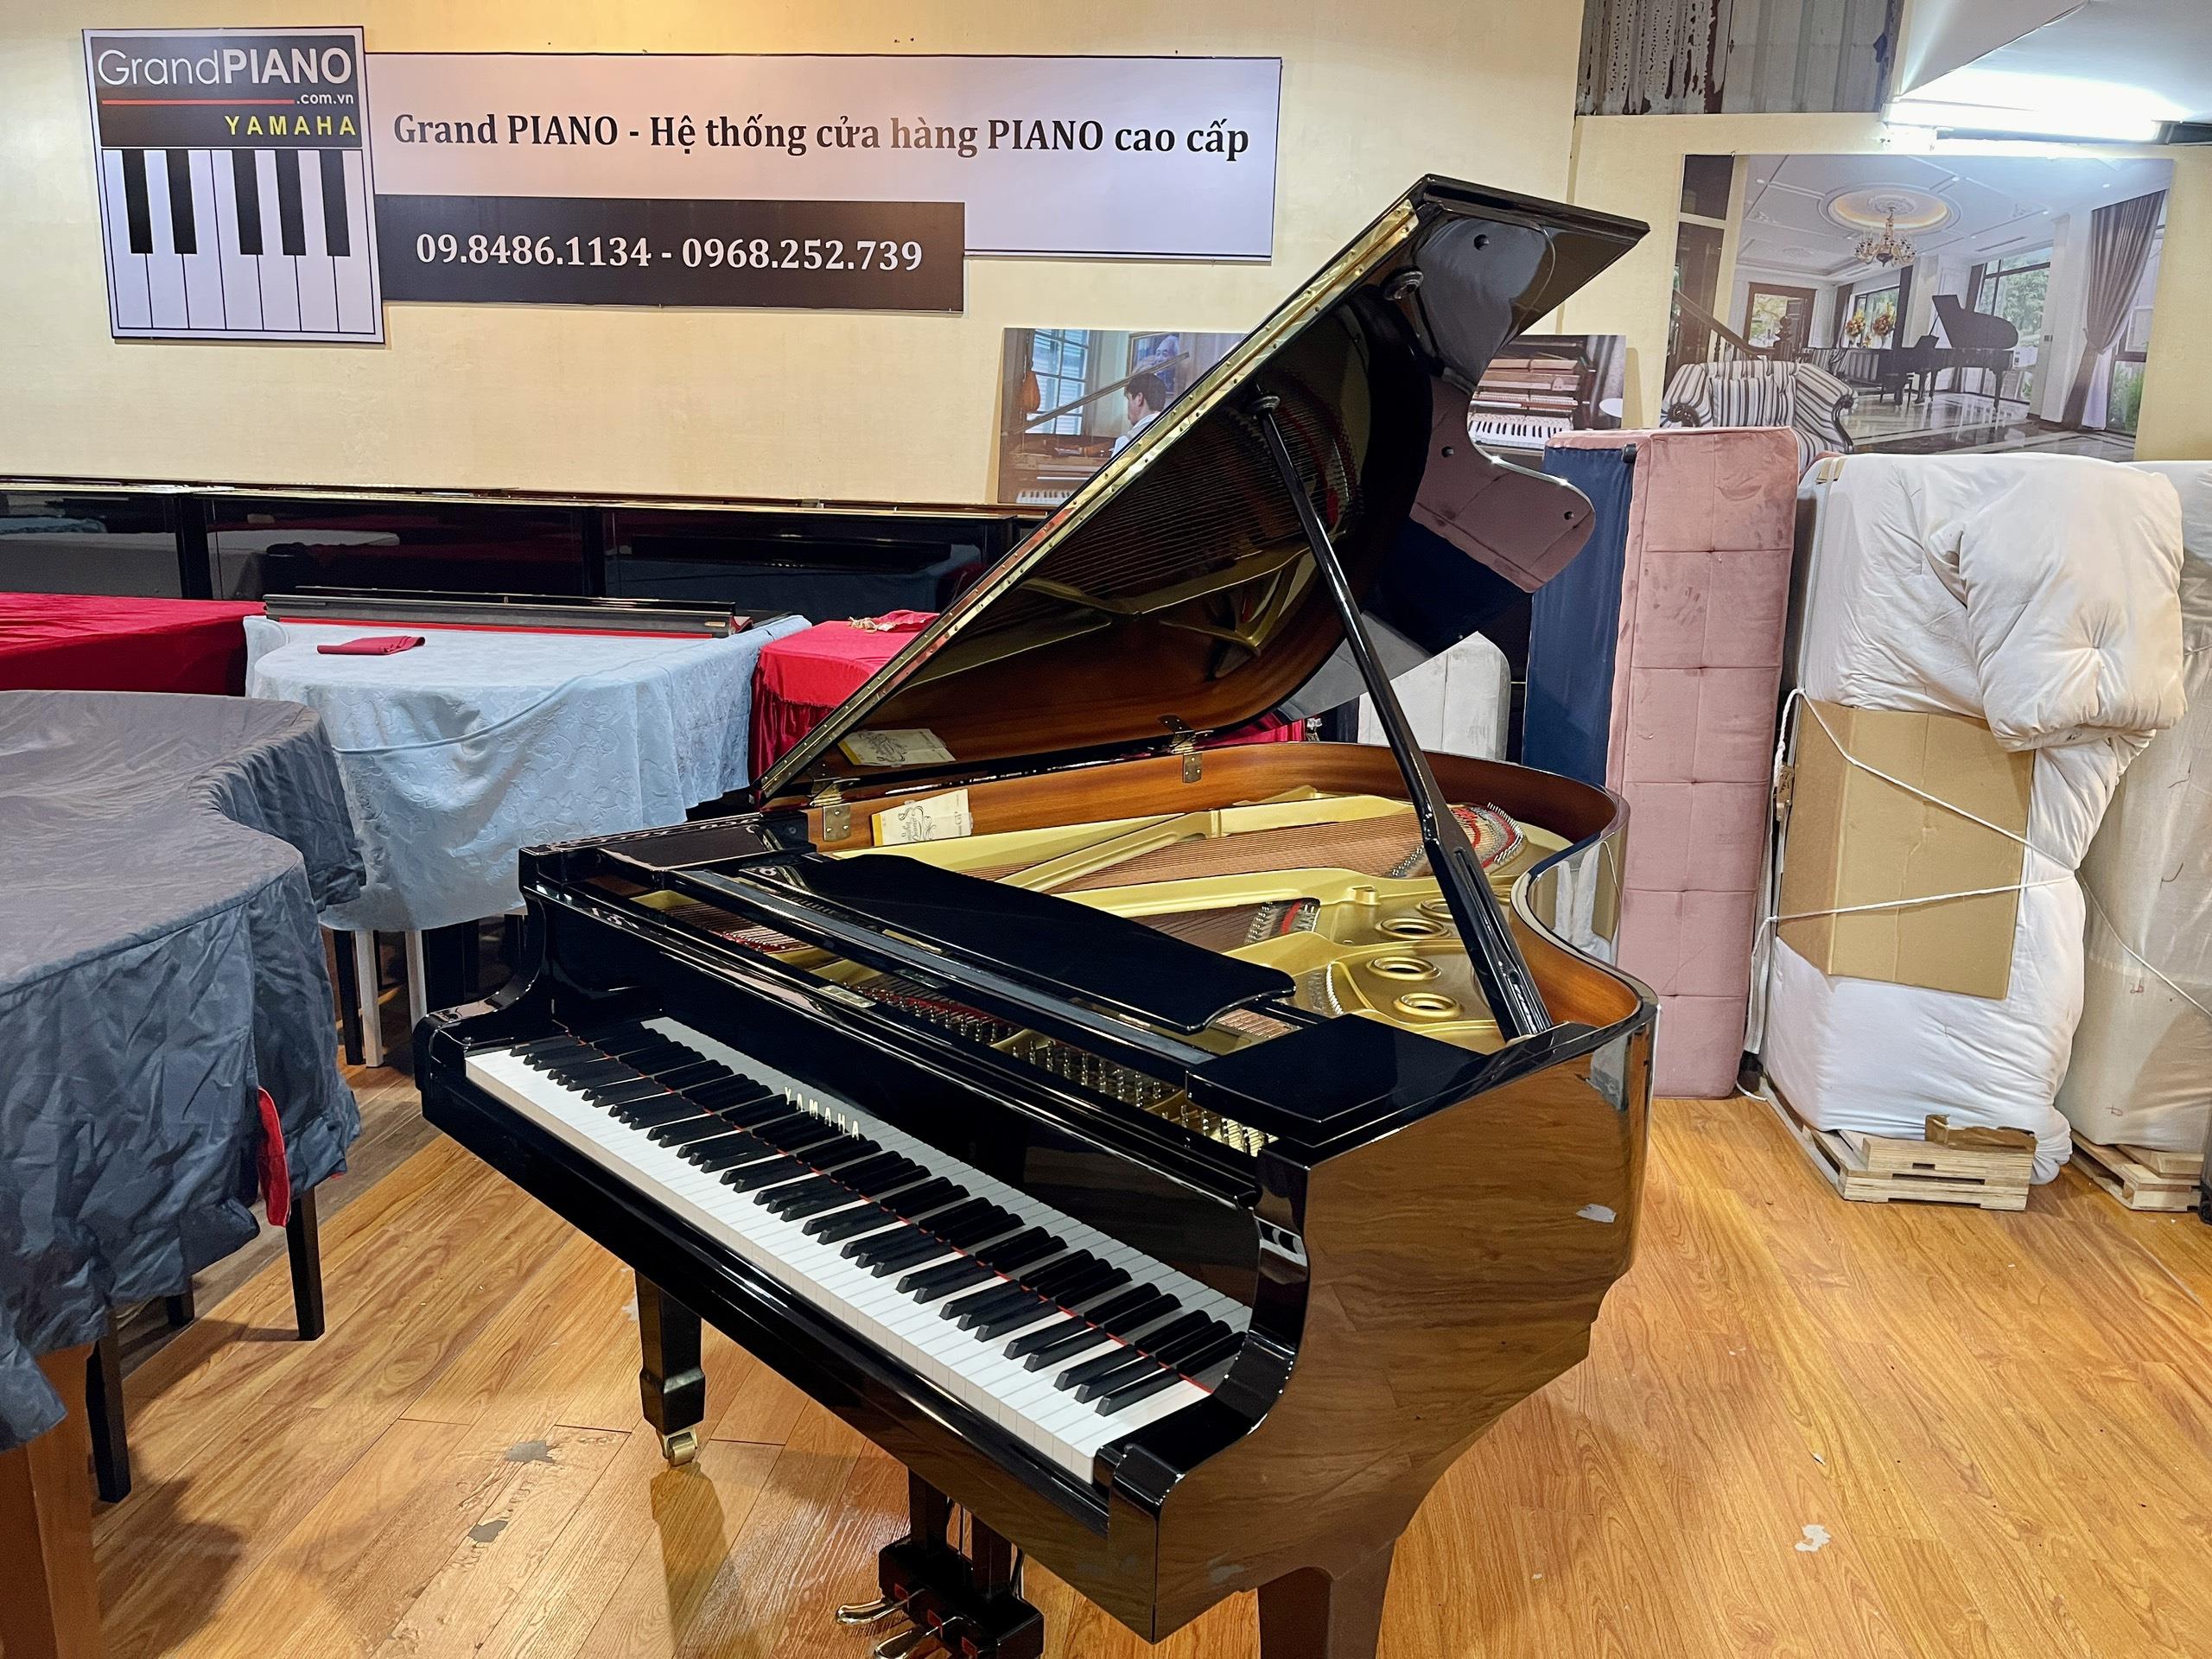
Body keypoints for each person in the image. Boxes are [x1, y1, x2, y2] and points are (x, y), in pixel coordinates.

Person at [1110, 370, 1170, 455]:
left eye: (1129, 399)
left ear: (1139, 399)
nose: (1128, 406)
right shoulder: (1173, 432)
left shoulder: (1126, 443)